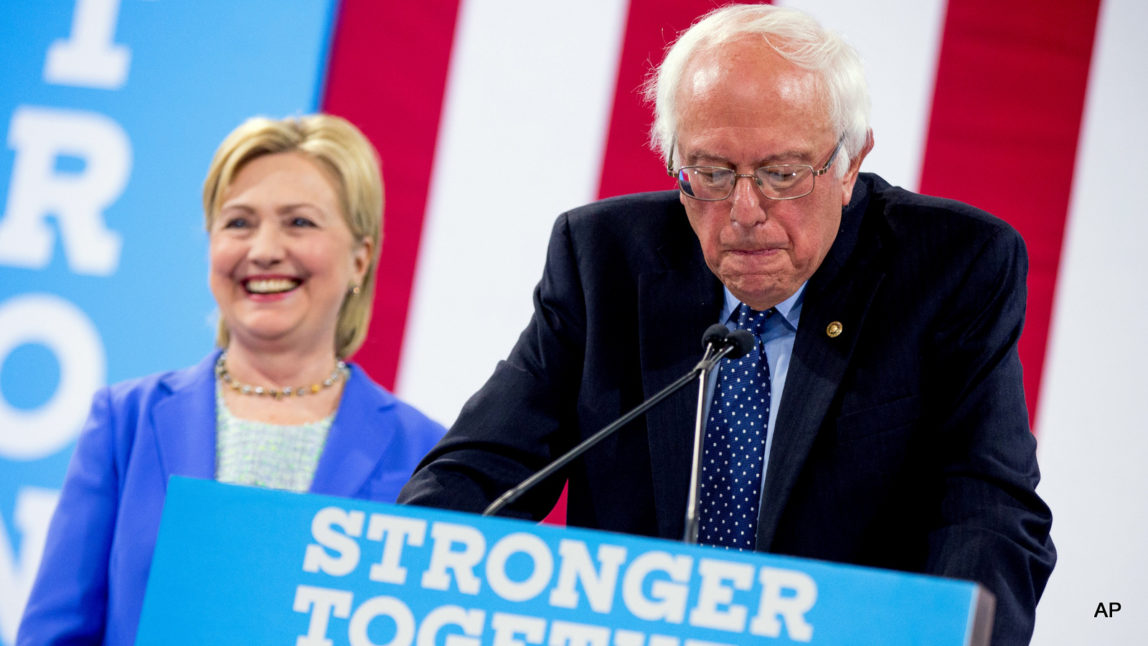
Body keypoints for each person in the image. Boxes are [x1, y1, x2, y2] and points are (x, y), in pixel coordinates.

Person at [398, 4, 1055, 644]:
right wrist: (393, 583)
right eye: (711, 173)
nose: (744, 210)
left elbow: (989, 512)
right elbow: (482, 469)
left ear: (850, 164)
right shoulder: (605, 262)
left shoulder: (949, 268)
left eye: (783, 174)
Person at [17, 114, 446, 644]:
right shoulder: (124, 421)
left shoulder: (428, 452)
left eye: (299, 223)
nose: (263, 250)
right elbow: (53, 634)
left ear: (361, 258)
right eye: (238, 222)